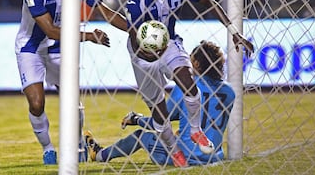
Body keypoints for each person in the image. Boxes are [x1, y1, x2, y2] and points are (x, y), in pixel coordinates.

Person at [122, 0, 254, 166]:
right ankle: (174, 151)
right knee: (159, 112)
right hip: (142, 56)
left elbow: (209, 2)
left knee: (189, 84)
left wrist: (234, 32)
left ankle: (195, 131)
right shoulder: (136, 0)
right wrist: (146, 52)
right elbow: (135, 39)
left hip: (170, 43)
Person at [14, 0, 127, 165]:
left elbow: (106, 12)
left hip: (59, 48)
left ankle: (78, 144)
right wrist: (89, 35)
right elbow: (49, 30)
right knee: (37, 104)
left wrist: (133, 29)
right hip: (31, 49)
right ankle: (48, 148)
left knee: (72, 101)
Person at [85, 40, 235, 166]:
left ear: (195, 63)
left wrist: (137, 119)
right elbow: (206, 116)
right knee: (178, 133)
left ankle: (99, 155)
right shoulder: (230, 92)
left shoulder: (187, 87)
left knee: (140, 136)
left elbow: (161, 121)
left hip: (187, 156)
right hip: (214, 155)